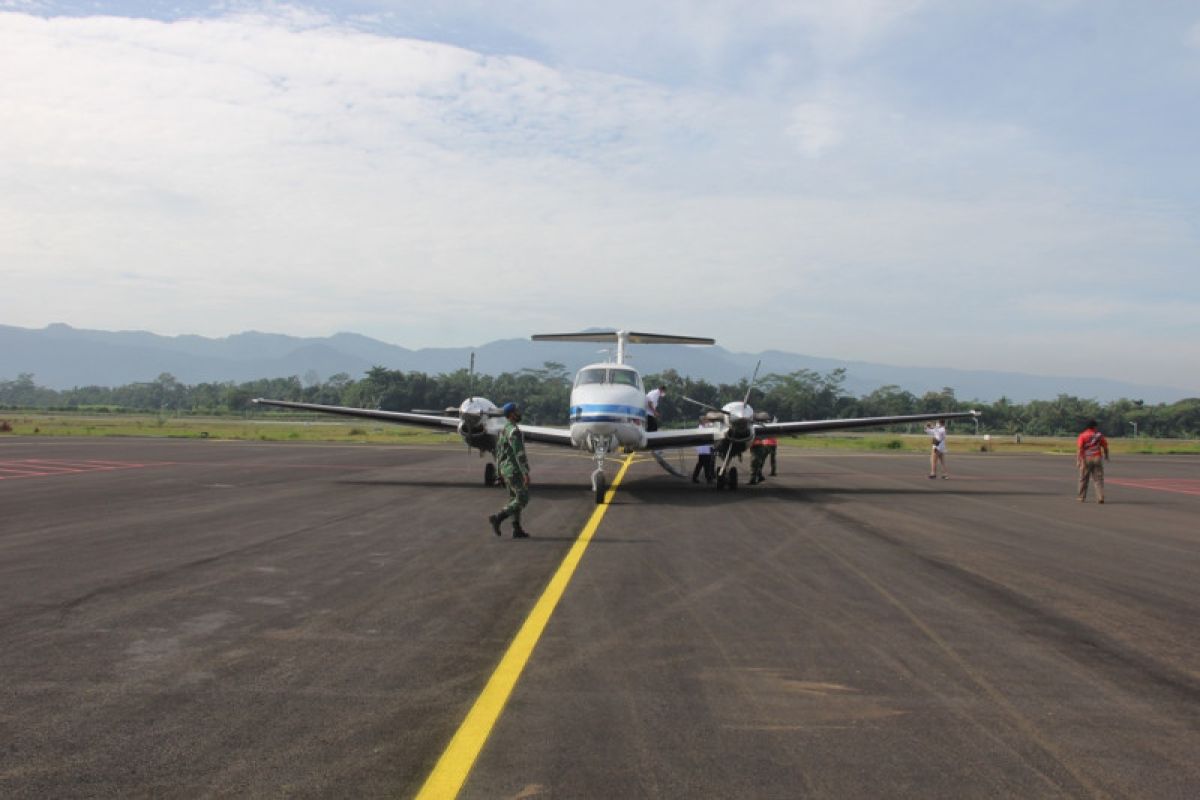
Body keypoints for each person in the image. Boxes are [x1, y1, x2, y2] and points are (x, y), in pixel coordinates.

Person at [489, 402, 531, 537]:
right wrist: (525, 472)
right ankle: (498, 517)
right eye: (517, 411)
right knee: (523, 498)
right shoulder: (513, 431)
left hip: (505, 470)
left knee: (514, 498)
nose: (519, 413)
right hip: (514, 470)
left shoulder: (504, 430)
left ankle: (516, 529)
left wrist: (498, 472)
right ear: (511, 414)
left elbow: (499, 453)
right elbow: (519, 453)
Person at [1076, 419, 1110, 503]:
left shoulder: (1082, 435)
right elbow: (1105, 446)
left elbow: (1080, 449)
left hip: (1086, 459)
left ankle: (1081, 497)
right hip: (1097, 458)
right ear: (1094, 426)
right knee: (1098, 479)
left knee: (1083, 479)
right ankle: (1100, 497)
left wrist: (1079, 460)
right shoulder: (1099, 435)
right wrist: (1106, 456)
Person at [692, 417, 715, 484]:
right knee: (706, 465)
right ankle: (708, 479)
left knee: (700, 464)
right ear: (702, 421)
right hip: (704, 450)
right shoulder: (702, 429)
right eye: (705, 420)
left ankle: (695, 477)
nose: (707, 421)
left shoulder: (702, 428)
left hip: (703, 450)